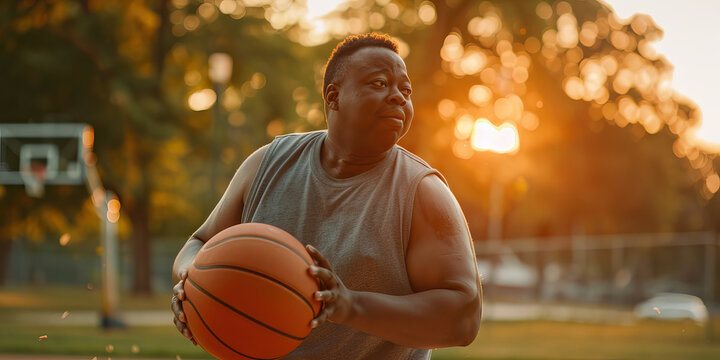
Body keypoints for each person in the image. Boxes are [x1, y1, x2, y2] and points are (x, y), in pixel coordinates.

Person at [171, 33, 482, 359]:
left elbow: (464, 318)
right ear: (334, 97)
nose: (398, 97)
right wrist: (195, 283)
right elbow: (197, 245)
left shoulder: (423, 191)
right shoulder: (266, 164)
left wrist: (349, 305)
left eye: (405, 90)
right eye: (379, 84)